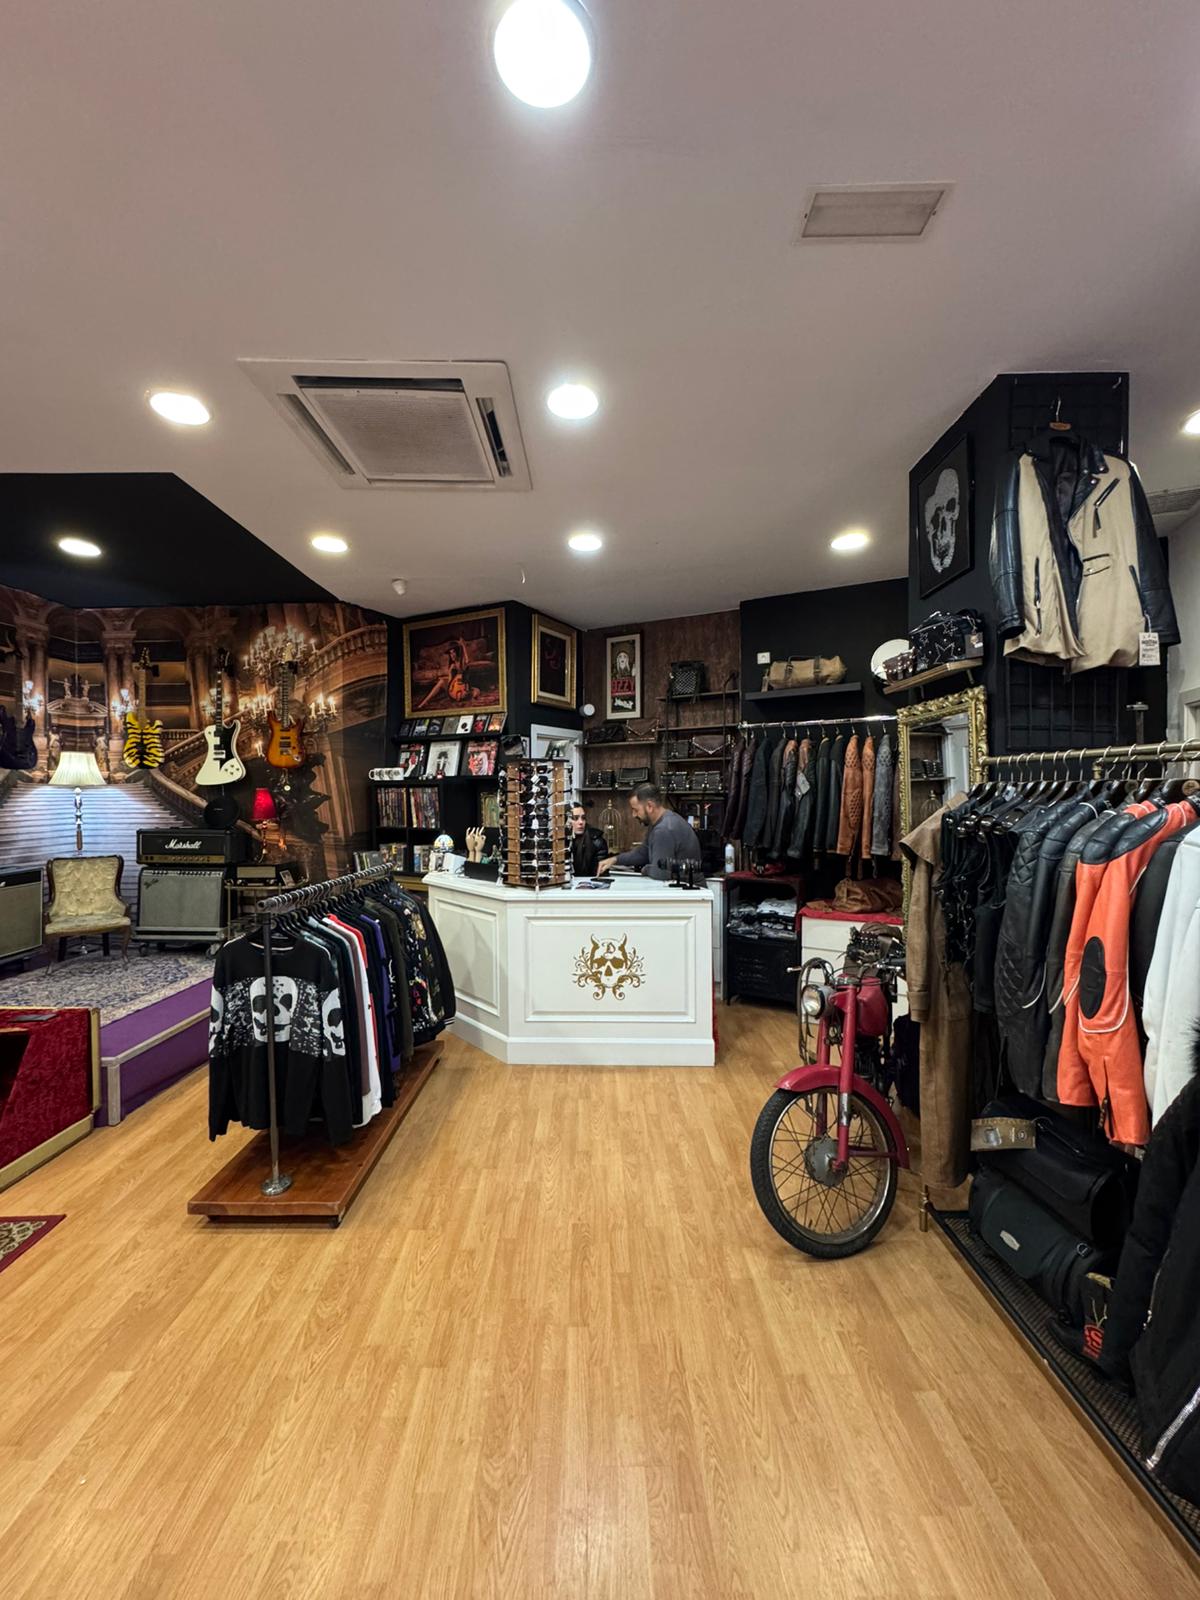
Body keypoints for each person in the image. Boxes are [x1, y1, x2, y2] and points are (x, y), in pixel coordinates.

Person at [599, 782, 703, 881]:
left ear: (649, 806)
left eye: (636, 810)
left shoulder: (663, 830)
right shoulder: (659, 822)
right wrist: (615, 860)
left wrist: (646, 869)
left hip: (688, 890)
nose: (633, 815)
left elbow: (660, 874)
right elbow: (642, 853)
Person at [567, 801, 608, 878]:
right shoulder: (556, 842)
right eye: (575, 818)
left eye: (583, 818)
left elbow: (600, 877)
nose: (581, 822)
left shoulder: (597, 841)